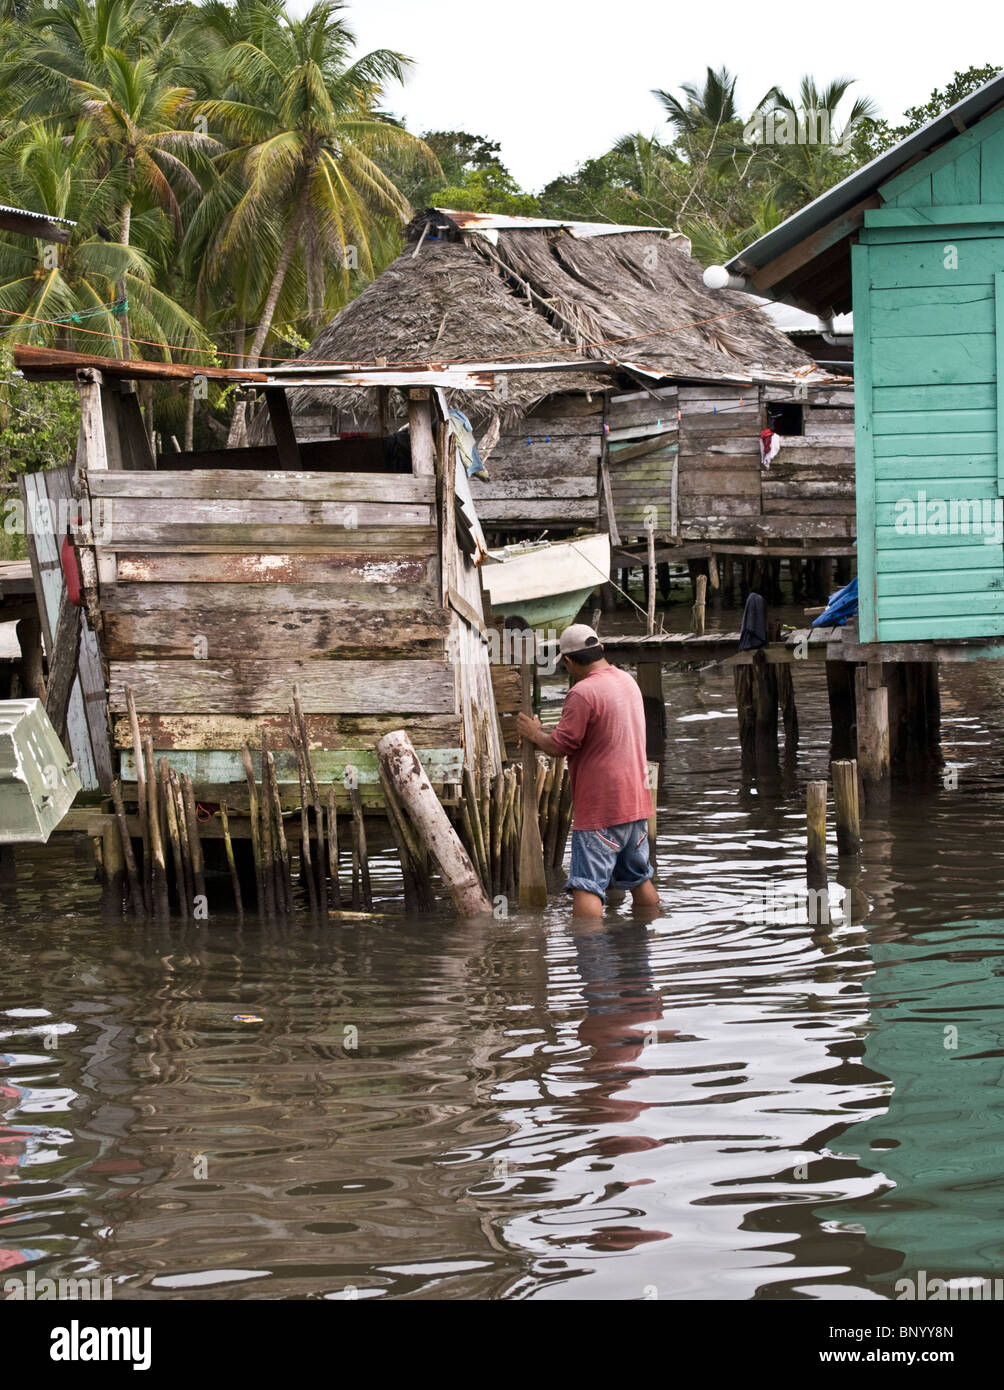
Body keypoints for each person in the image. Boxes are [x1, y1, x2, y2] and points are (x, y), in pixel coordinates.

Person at [515, 624, 659, 919]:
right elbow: (595, 733)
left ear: (568, 661)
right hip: (636, 802)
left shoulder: (582, 692)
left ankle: (590, 955)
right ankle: (647, 940)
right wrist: (542, 733)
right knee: (640, 879)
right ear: (601, 649)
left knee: (587, 887)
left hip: (601, 808)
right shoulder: (626, 681)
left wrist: (534, 733)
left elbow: (560, 746)